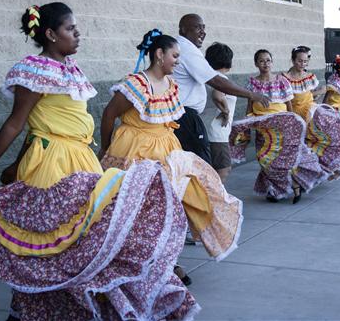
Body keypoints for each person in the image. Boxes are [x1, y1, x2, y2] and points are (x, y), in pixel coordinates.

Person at [0, 4, 198, 320]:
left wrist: (14, 165)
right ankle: (28, 309)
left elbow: (38, 124)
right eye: (70, 29)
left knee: (91, 242)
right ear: (50, 34)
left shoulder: (70, 67)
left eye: (76, 28)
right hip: (53, 164)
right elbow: (17, 124)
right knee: (53, 245)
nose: (78, 34)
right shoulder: (34, 71)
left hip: (83, 159)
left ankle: (76, 308)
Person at [98, 30, 243, 279]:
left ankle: (167, 262)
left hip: (167, 148)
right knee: (141, 212)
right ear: (159, 54)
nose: (178, 60)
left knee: (174, 207)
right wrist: (106, 146)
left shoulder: (171, 85)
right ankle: (149, 263)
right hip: (135, 150)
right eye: (175, 56)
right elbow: (109, 115)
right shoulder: (136, 83)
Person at [230, 49, 326, 204]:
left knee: (284, 158)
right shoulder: (252, 82)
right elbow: (249, 104)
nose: (265, 64)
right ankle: (277, 189)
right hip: (262, 126)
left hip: (281, 124)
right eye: (261, 61)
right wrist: (246, 126)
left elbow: (288, 104)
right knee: (265, 159)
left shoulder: (281, 81)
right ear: (256, 64)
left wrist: (293, 123)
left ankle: (293, 185)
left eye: (268, 60)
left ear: (272, 62)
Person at [172, 14, 270, 165]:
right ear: (184, 29)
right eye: (198, 27)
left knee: (195, 167)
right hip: (187, 118)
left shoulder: (183, 47)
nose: (203, 32)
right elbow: (216, 83)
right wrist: (250, 96)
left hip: (187, 117)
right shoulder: (186, 48)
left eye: (204, 27)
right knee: (201, 169)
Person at [283, 47, 340, 177]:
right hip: (294, 113)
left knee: (325, 137)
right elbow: (286, 99)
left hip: (310, 111)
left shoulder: (309, 77)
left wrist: (319, 94)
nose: (302, 64)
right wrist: (290, 116)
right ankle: (302, 173)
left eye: (305, 61)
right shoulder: (285, 78)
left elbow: (311, 95)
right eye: (299, 61)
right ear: (292, 60)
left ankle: (328, 166)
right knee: (298, 144)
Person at [203, 42, 237, 183]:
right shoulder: (220, 79)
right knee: (223, 169)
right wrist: (226, 111)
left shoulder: (207, 77)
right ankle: (215, 200)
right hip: (217, 133)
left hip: (209, 130)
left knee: (211, 170)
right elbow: (217, 95)